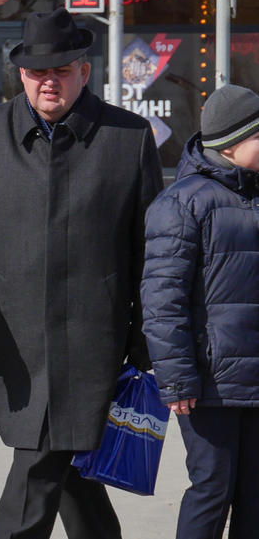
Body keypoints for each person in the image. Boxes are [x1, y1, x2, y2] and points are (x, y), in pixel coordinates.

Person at [0, 7, 162, 539]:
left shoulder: (127, 137)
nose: (48, 81)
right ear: (21, 75)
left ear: (84, 71)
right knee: (68, 460)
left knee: (41, 461)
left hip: (95, 340)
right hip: (19, 338)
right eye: (37, 72)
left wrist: (147, 330)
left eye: (61, 70)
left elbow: (151, 247)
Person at [141, 84, 259, 539]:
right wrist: (176, 379)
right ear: (230, 143)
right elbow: (162, 300)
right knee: (212, 488)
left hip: (254, 378)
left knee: (254, 494)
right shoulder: (183, 203)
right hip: (210, 384)